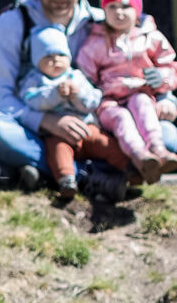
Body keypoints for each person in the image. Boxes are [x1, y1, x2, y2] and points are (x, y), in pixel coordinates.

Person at [0, 0, 166, 201]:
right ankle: (88, 174)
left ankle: (48, 174)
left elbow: (144, 69)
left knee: (168, 136)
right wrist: (46, 121)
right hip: (34, 130)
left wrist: (166, 99)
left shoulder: (103, 23)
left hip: (99, 126)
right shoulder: (12, 23)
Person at [75, 0, 177, 187]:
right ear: (104, 10)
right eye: (112, 7)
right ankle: (141, 158)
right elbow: (85, 77)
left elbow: (170, 66)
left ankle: (158, 150)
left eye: (126, 7)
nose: (119, 13)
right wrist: (90, 102)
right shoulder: (96, 41)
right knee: (122, 120)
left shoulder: (149, 37)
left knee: (143, 106)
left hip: (141, 93)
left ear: (137, 10)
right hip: (109, 102)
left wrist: (162, 78)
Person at [17, 24, 130, 198]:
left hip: (87, 127)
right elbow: (32, 101)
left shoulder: (76, 76)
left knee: (106, 144)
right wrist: (54, 95)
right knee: (58, 151)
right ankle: (67, 180)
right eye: (48, 57)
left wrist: (78, 95)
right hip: (56, 133)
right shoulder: (35, 80)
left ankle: (130, 170)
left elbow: (93, 100)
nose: (56, 61)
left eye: (61, 55)